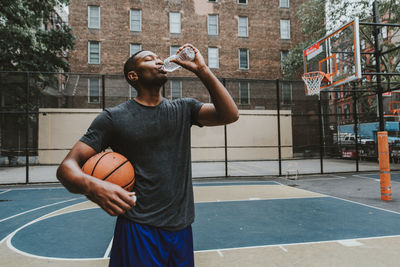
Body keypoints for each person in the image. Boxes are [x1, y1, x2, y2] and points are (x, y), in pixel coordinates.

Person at [56, 44, 239, 266]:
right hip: (139, 228)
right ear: (134, 75)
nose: (159, 61)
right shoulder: (113, 118)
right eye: (149, 59)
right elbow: (66, 168)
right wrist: (93, 186)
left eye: (159, 57)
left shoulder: (184, 109)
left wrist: (201, 69)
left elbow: (230, 114)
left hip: (181, 228)